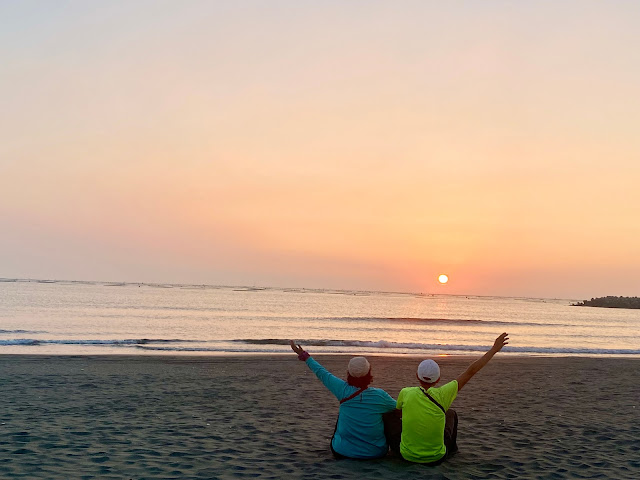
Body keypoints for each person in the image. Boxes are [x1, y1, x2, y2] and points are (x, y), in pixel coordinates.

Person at [395, 332, 510, 464]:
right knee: (451, 414)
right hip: (436, 457)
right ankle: (453, 450)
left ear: (417, 376)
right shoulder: (444, 394)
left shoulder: (405, 392)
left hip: (407, 456)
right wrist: (494, 349)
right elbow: (470, 371)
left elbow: (399, 413)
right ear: (438, 379)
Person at [290, 341, 397, 459]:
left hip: (342, 451)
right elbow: (401, 408)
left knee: (343, 411)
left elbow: (322, 373)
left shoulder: (341, 389)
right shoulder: (380, 396)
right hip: (375, 454)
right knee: (390, 413)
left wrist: (305, 356)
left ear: (348, 373)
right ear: (369, 373)